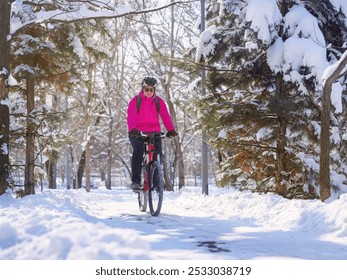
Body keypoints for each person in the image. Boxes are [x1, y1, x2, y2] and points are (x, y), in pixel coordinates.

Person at [127, 77, 177, 190]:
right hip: (137, 132)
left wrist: (170, 129)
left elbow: (165, 116)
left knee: (157, 153)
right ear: (143, 89)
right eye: (147, 89)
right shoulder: (135, 101)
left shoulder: (159, 102)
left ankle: (156, 182)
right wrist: (132, 129)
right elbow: (131, 116)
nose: (149, 92)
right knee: (138, 152)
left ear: (154, 90)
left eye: (151, 90)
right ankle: (136, 181)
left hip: (154, 132)